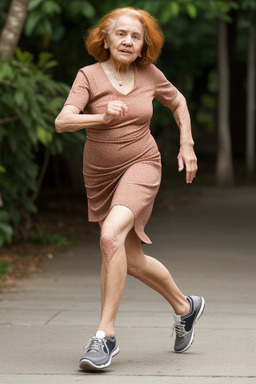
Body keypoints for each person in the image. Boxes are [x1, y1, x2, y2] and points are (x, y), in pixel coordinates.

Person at [55, 7, 205, 371]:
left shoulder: (149, 74)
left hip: (142, 165)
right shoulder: (88, 76)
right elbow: (63, 121)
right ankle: (186, 308)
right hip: (101, 175)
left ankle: (104, 337)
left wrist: (187, 143)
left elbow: (179, 101)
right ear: (104, 39)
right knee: (131, 259)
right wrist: (101, 117)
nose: (128, 41)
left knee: (110, 237)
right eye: (121, 34)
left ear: (143, 47)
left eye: (136, 37)